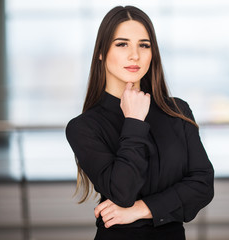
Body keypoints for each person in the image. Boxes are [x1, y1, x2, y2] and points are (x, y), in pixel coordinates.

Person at [65, 5, 214, 240]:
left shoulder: (178, 110)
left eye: (144, 45)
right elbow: (122, 192)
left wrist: (141, 210)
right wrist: (134, 120)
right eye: (122, 44)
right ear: (102, 52)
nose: (135, 55)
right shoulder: (84, 127)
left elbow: (203, 185)